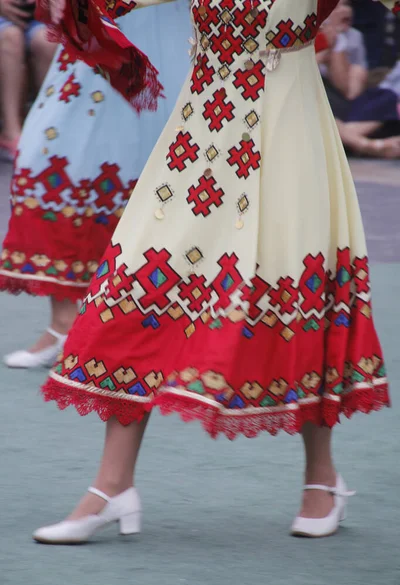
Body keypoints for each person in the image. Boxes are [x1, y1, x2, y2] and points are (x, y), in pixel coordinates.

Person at [33, 0, 398, 545]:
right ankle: (111, 486)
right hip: (197, 139)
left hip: (286, 135)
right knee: (138, 281)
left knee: (296, 285)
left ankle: (321, 476)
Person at [0, 1, 190, 368]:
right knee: (51, 160)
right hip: (97, 30)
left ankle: (151, 328)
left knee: (153, 168)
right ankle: (66, 324)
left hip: (157, 32)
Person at [318, 0, 400, 158]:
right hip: (315, 98)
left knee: (386, 97)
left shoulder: (354, 37)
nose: (344, 11)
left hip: (343, 104)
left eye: (347, 5)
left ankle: (347, 138)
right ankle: (366, 145)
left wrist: (335, 45)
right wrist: (321, 49)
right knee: (315, 96)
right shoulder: (304, 35)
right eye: (337, 7)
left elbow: (350, 92)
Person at [0, 0, 56, 160]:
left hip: (36, 16)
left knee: (46, 40)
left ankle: (49, 128)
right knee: (10, 37)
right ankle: (11, 132)